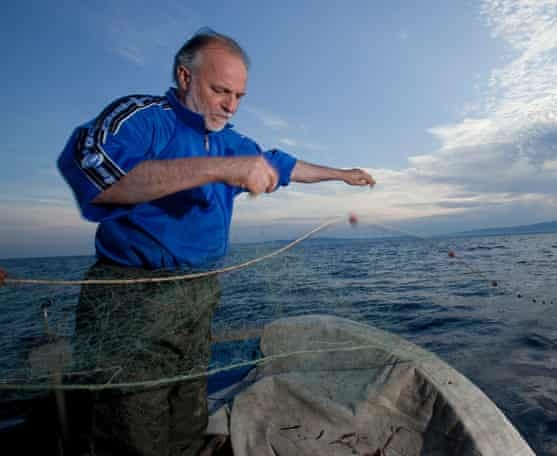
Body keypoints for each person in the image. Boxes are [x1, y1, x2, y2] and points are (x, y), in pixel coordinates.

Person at [56, 28, 375, 455]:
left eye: (239, 96)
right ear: (184, 77)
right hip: (131, 295)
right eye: (220, 90)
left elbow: (285, 164)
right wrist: (216, 169)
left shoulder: (234, 141)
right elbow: (97, 178)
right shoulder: (142, 117)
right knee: (132, 421)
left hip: (200, 292)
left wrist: (342, 174)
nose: (230, 104)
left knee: (188, 401)